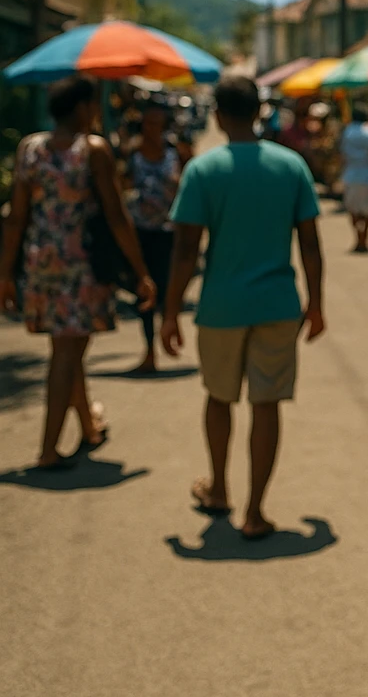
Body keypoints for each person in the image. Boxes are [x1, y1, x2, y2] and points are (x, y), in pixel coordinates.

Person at [161, 76, 325, 539]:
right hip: (278, 304)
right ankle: (255, 511)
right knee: (266, 403)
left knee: (219, 397)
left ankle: (218, 489)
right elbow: (310, 244)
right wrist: (317, 304)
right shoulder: (291, 166)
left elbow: (185, 250)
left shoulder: (203, 171)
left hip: (221, 306)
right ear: (258, 113)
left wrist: (170, 313)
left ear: (217, 116)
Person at [0, 76, 155, 469]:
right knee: (67, 352)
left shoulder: (30, 148)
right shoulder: (93, 150)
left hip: (41, 261)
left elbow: (16, 217)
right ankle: (48, 449)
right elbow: (116, 215)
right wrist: (140, 270)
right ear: (83, 107)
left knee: (70, 347)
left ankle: (88, 427)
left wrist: (5, 273)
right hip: (80, 263)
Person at [124, 100, 181, 374]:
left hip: (168, 231)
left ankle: (168, 331)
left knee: (167, 286)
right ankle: (149, 349)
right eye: (148, 123)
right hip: (140, 232)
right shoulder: (132, 156)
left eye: (157, 124)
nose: (152, 129)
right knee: (144, 290)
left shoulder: (175, 154)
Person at [339, 101, 368, 252]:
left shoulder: (347, 131)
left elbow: (342, 153)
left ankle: (358, 236)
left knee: (353, 209)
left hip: (351, 174)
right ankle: (365, 237)